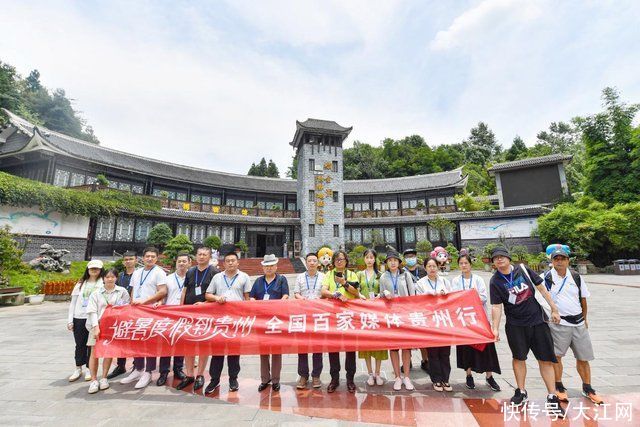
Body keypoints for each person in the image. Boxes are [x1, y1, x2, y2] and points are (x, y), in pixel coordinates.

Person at [490, 246, 566, 418]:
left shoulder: (523, 269)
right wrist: (495, 328)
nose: (499, 260)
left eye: (502, 256)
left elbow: (542, 289)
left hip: (538, 322)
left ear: (509, 258)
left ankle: (552, 396)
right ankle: (521, 391)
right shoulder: (495, 281)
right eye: (496, 258)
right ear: (493, 262)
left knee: (545, 359)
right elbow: (496, 306)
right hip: (515, 326)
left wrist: (554, 309)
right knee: (518, 358)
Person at [542, 244, 603, 405]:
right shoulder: (546, 278)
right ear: (552, 261)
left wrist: (585, 318)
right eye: (557, 259)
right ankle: (559, 386)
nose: (560, 262)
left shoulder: (576, 277)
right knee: (556, 357)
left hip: (578, 322)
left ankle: (588, 387)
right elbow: (540, 298)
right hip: (558, 323)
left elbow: (583, 299)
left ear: (568, 261)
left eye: (563, 259)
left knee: (583, 357)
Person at [450, 253, 501, 391]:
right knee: (466, 349)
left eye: (466, 263)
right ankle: (469, 375)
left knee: (487, 348)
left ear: (470, 265)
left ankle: (489, 376)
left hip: (479, 320)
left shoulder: (478, 279)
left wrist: (468, 295)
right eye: (461, 263)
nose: (463, 265)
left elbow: (483, 297)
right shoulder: (455, 281)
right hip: (464, 321)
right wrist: (468, 296)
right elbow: (453, 298)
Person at [120, 246, 168, 389]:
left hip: (150, 311)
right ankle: (138, 368)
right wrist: (133, 303)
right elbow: (134, 290)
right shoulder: (137, 272)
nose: (150, 259)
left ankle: (148, 371)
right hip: (136, 310)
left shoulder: (159, 272)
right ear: (143, 257)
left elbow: (162, 291)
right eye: (147, 256)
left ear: (157, 258)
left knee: (149, 342)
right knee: (137, 340)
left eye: (153, 257)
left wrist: (144, 302)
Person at [204, 250, 251, 393]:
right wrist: (217, 298)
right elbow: (207, 294)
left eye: (233, 260)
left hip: (236, 320)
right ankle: (214, 380)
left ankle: (233, 379)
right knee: (217, 351)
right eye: (228, 260)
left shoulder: (244, 277)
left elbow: (247, 298)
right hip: (220, 320)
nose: (230, 262)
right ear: (224, 263)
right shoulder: (217, 277)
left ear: (238, 262)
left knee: (234, 352)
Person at [176, 246, 219, 392]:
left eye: (204, 254)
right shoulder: (190, 271)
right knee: (188, 344)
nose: (201, 257)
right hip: (188, 313)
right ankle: (189, 375)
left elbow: (216, 294)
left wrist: (205, 304)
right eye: (199, 254)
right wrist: (181, 308)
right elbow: (185, 290)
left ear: (209, 256)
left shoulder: (214, 272)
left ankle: (200, 374)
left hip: (206, 313)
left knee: (203, 344)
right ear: (196, 256)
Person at [320, 250, 360, 393]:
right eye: (337, 259)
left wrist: (344, 283)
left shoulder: (351, 274)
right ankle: (334, 379)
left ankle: (350, 379)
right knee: (333, 348)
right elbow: (323, 291)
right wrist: (334, 294)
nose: (339, 261)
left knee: (350, 349)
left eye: (342, 259)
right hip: (333, 316)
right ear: (333, 262)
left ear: (346, 261)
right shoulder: (329, 274)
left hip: (349, 316)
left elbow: (356, 292)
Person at [85, 268, 130, 393]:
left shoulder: (122, 291)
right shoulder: (96, 293)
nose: (110, 279)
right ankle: (94, 380)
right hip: (97, 325)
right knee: (94, 352)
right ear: (103, 278)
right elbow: (92, 311)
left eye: (112, 277)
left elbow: (126, 307)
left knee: (108, 352)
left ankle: (104, 378)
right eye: (107, 277)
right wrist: (96, 327)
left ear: (116, 278)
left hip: (112, 327)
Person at [250, 254, 290, 392]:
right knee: (264, 351)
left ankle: (276, 380)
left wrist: (277, 304)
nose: (269, 268)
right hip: (262, 320)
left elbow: (285, 295)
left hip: (276, 320)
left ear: (276, 266)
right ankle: (264, 379)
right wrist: (255, 303)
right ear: (263, 267)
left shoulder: (281, 279)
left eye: (271, 265)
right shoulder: (258, 281)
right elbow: (252, 297)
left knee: (276, 351)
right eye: (266, 266)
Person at [379, 250, 416, 391]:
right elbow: (381, 295)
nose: (392, 262)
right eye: (390, 260)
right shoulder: (383, 277)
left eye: (395, 260)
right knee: (394, 347)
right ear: (387, 263)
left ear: (399, 262)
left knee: (406, 347)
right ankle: (397, 377)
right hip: (390, 316)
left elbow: (412, 295)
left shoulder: (406, 275)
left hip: (405, 315)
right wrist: (384, 294)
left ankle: (406, 376)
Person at [416, 258, 452, 392]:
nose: (432, 268)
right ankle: (436, 380)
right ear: (425, 268)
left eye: (434, 266)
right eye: (429, 266)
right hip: (429, 322)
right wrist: (428, 296)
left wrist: (445, 295)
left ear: (438, 267)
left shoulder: (445, 282)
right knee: (433, 353)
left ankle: (446, 379)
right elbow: (418, 301)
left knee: (445, 352)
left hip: (443, 321)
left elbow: (452, 298)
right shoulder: (420, 283)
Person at [67, 259, 105, 382]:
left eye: (97, 269)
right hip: (79, 317)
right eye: (92, 268)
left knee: (91, 345)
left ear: (101, 270)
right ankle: (78, 367)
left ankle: (89, 368)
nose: (94, 270)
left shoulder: (103, 283)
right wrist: (70, 320)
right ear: (88, 270)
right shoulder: (80, 284)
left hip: (94, 319)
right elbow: (73, 303)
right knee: (79, 344)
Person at [293, 252, 325, 389]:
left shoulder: (324, 277)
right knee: (303, 346)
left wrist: (320, 300)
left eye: (314, 260)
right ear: (306, 263)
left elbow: (326, 292)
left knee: (318, 346)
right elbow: (296, 293)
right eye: (309, 260)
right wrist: (301, 298)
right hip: (303, 315)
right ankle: (303, 375)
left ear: (318, 263)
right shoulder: (300, 277)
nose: (312, 263)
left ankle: (316, 375)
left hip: (318, 316)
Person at [156, 252, 189, 387]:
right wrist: (160, 303)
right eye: (179, 261)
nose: (181, 263)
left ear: (189, 263)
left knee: (181, 342)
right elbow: (163, 295)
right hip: (168, 314)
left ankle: (178, 369)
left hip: (184, 315)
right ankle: (164, 372)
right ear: (176, 263)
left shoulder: (191, 278)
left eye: (184, 261)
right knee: (166, 343)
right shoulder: (168, 278)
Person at [357, 248, 388, 387]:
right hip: (364, 313)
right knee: (366, 344)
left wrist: (379, 296)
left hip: (377, 313)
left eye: (372, 257)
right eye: (367, 257)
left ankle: (377, 373)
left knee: (379, 344)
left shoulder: (380, 275)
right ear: (364, 259)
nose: (369, 260)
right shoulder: (359, 274)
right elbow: (355, 290)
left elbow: (384, 291)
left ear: (375, 259)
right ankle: (370, 373)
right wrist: (359, 295)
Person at [107, 250, 137, 379]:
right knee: (120, 338)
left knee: (136, 338)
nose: (128, 261)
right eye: (126, 259)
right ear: (123, 261)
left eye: (131, 259)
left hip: (136, 311)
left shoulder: (139, 274)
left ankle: (137, 365)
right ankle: (121, 365)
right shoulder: (119, 276)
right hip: (120, 312)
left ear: (136, 260)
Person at [403, 248, 429, 373]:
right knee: (407, 336)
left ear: (416, 257)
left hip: (423, 307)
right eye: (407, 256)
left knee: (423, 336)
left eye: (412, 256)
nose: (410, 258)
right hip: (407, 308)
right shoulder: (402, 272)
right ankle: (409, 361)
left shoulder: (424, 270)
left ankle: (425, 360)